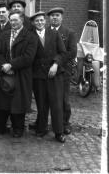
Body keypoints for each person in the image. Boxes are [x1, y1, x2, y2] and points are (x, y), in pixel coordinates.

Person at [0, 11, 38, 137]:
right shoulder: (4, 35)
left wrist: (12, 65)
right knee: (3, 101)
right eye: (11, 20)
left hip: (22, 75)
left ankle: (18, 129)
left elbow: (28, 57)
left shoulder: (30, 37)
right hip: (5, 73)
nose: (13, 23)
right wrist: (4, 66)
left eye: (15, 20)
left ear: (22, 20)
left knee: (18, 102)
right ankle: (1, 127)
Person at [30, 11, 67, 143]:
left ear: (45, 21)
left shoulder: (54, 34)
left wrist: (56, 64)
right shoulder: (30, 36)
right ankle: (42, 128)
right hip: (38, 75)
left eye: (41, 20)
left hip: (54, 74)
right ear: (33, 23)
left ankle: (59, 132)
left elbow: (63, 52)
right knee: (41, 103)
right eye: (37, 21)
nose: (39, 23)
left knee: (56, 104)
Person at [47, 7, 77, 135]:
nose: (54, 17)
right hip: (47, 71)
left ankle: (65, 123)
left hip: (63, 71)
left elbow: (71, 52)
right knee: (45, 98)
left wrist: (57, 63)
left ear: (62, 17)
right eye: (52, 15)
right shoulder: (45, 31)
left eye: (57, 15)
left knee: (63, 98)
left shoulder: (69, 33)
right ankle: (42, 122)